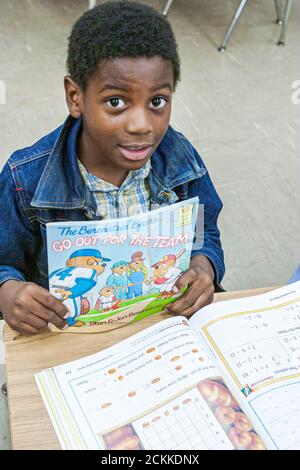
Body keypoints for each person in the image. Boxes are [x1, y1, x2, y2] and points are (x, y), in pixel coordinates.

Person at [0, 1, 224, 336]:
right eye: (116, 102)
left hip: (163, 327)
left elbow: (204, 230)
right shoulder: (24, 180)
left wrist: (203, 263)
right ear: (75, 97)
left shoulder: (181, 160)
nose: (141, 125)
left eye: (157, 101)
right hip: (72, 339)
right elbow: (4, 263)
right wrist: (8, 291)